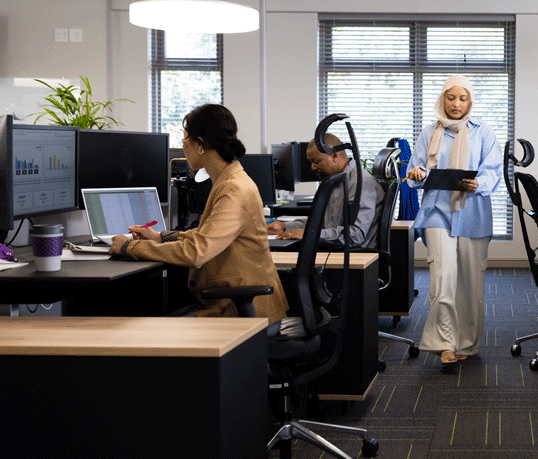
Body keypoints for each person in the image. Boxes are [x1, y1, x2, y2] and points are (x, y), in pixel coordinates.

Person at [109, 104, 289, 326]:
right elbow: (208, 235)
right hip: (242, 306)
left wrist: (129, 247)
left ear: (201, 145)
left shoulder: (233, 189)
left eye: (185, 138)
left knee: (150, 329)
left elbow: (197, 252)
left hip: (246, 314)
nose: (183, 145)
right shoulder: (230, 180)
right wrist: (161, 237)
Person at [406, 75, 502, 367]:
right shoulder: (428, 132)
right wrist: (418, 174)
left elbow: (493, 171)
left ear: (470, 101)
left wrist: (480, 183)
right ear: (442, 99)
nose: (456, 104)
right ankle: (445, 344)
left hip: (472, 212)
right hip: (437, 211)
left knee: (471, 284)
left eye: (463, 98)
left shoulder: (483, 133)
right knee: (443, 278)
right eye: (451, 98)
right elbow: (414, 171)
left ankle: (467, 343)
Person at [267, 134, 384, 249]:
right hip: (334, 250)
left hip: (354, 256)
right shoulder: (335, 181)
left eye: (316, 161)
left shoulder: (360, 183)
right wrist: (285, 227)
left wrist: (308, 234)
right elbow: (321, 222)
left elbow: (356, 235)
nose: (312, 167)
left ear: (334, 156)